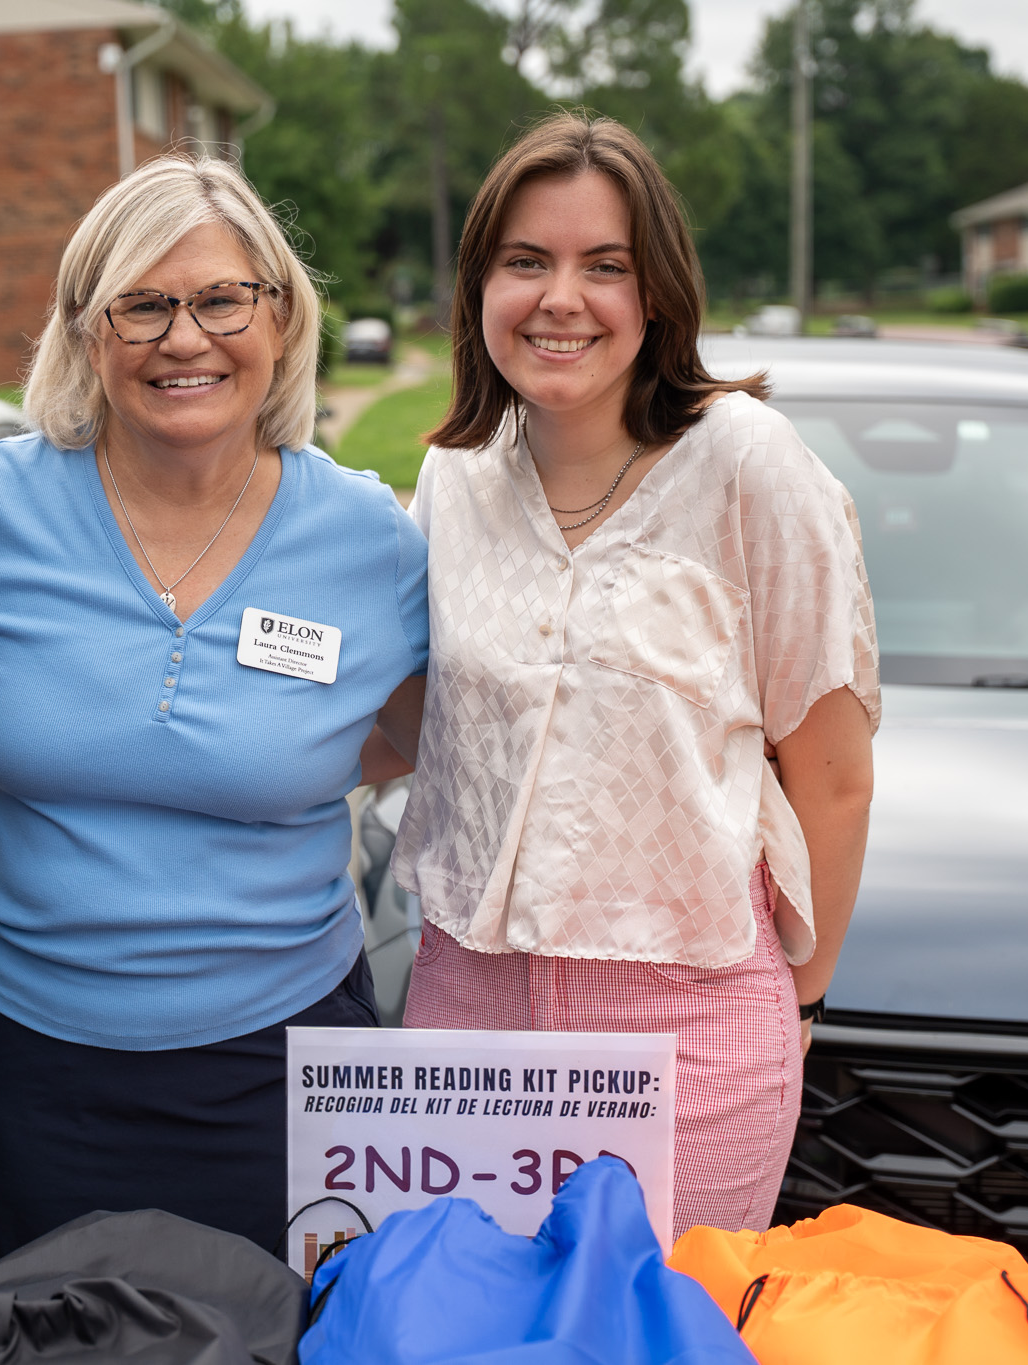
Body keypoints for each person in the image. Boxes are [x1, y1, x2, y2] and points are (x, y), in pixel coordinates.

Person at [0, 155, 428, 1258]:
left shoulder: (368, 539)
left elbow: (417, 740)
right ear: (85, 333)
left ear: (281, 318)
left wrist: (267, 761)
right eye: (141, 305)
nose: (183, 338)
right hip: (23, 1064)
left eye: (219, 299)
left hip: (282, 1068)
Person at [391, 113, 878, 1238]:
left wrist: (803, 1006)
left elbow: (832, 775)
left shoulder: (745, 460)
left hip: (690, 1039)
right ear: (477, 288)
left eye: (602, 266)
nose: (560, 298)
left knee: (664, 1333)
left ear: (654, 293)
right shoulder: (451, 480)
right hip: (463, 1017)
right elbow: (420, 724)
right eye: (525, 261)